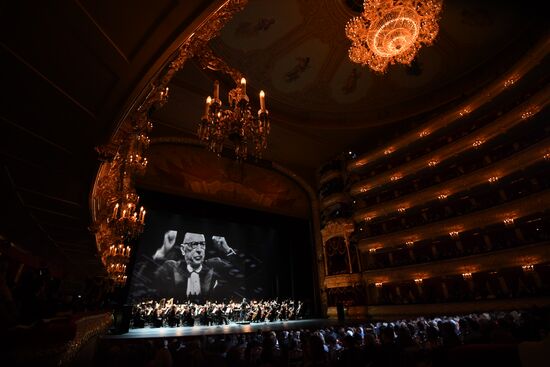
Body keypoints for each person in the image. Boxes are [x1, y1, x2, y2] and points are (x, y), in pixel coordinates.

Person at [153, 232, 234, 301]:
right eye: (194, 244)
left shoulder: (213, 265)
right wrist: (163, 251)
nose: (199, 250)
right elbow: (150, 278)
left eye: (202, 244)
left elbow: (236, 272)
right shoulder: (171, 267)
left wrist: (227, 249)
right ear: (182, 249)